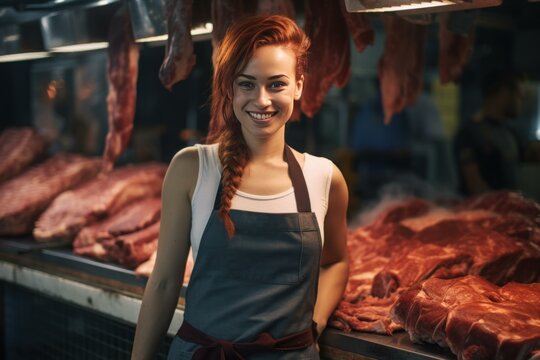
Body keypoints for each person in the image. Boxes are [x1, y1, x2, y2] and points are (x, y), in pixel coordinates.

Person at [131, 15, 349, 360]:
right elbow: (163, 284)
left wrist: (315, 324)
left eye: (276, 84)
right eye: (247, 84)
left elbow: (336, 261)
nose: (261, 100)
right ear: (230, 88)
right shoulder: (192, 167)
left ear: (299, 86)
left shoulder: (324, 177)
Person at [454, 71, 524, 196]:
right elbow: (475, 185)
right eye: (518, 95)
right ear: (504, 93)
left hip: (511, 209)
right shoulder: (470, 132)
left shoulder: (510, 132)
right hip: (484, 211)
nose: (520, 103)